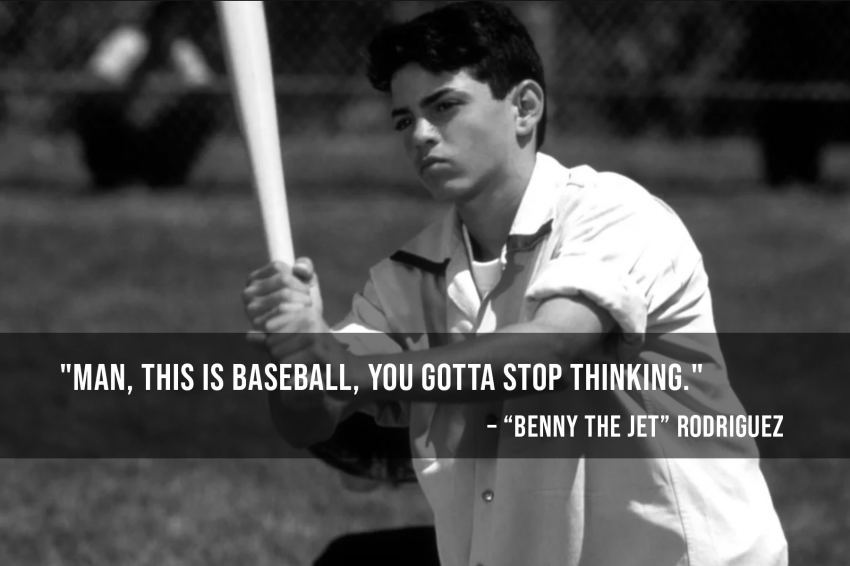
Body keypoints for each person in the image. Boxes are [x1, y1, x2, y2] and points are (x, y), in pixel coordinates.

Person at [242, 2, 788, 565]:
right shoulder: (407, 276)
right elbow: (311, 421)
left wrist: (350, 367)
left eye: (445, 106)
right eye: (404, 119)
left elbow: (550, 347)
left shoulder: (612, 214)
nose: (420, 136)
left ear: (524, 107)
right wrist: (295, 359)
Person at [70, 1, 218, 191]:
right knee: (92, 111)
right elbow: (95, 81)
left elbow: (205, 90)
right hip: (122, 124)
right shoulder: (127, 42)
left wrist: (169, 94)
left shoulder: (181, 50)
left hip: (162, 127)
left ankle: (167, 176)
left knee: (199, 116)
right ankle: (111, 175)